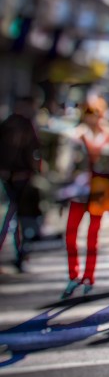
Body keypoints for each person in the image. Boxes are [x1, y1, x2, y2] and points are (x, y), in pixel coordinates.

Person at [63, 99, 109, 297]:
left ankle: (89, 275)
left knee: (93, 235)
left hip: (99, 190)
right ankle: (74, 274)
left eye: (96, 113)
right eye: (89, 113)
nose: (92, 117)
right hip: (79, 190)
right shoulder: (77, 135)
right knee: (71, 233)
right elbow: (66, 163)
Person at [0, 96, 41, 273]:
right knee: (16, 216)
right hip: (19, 176)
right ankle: (20, 253)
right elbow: (34, 150)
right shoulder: (24, 125)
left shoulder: (8, 124)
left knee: (13, 215)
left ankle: (20, 253)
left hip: (11, 175)